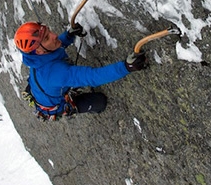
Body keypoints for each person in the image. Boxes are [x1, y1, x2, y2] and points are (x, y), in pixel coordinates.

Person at [14, 21, 147, 120]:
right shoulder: (56, 73)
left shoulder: (36, 57)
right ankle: (76, 107)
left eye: (49, 31)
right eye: (47, 38)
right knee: (100, 102)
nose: (54, 35)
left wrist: (69, 35)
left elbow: (54, 50)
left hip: (43, 90)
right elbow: (93, 77)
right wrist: (126, 67)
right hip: (54, 104)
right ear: (38, 50)